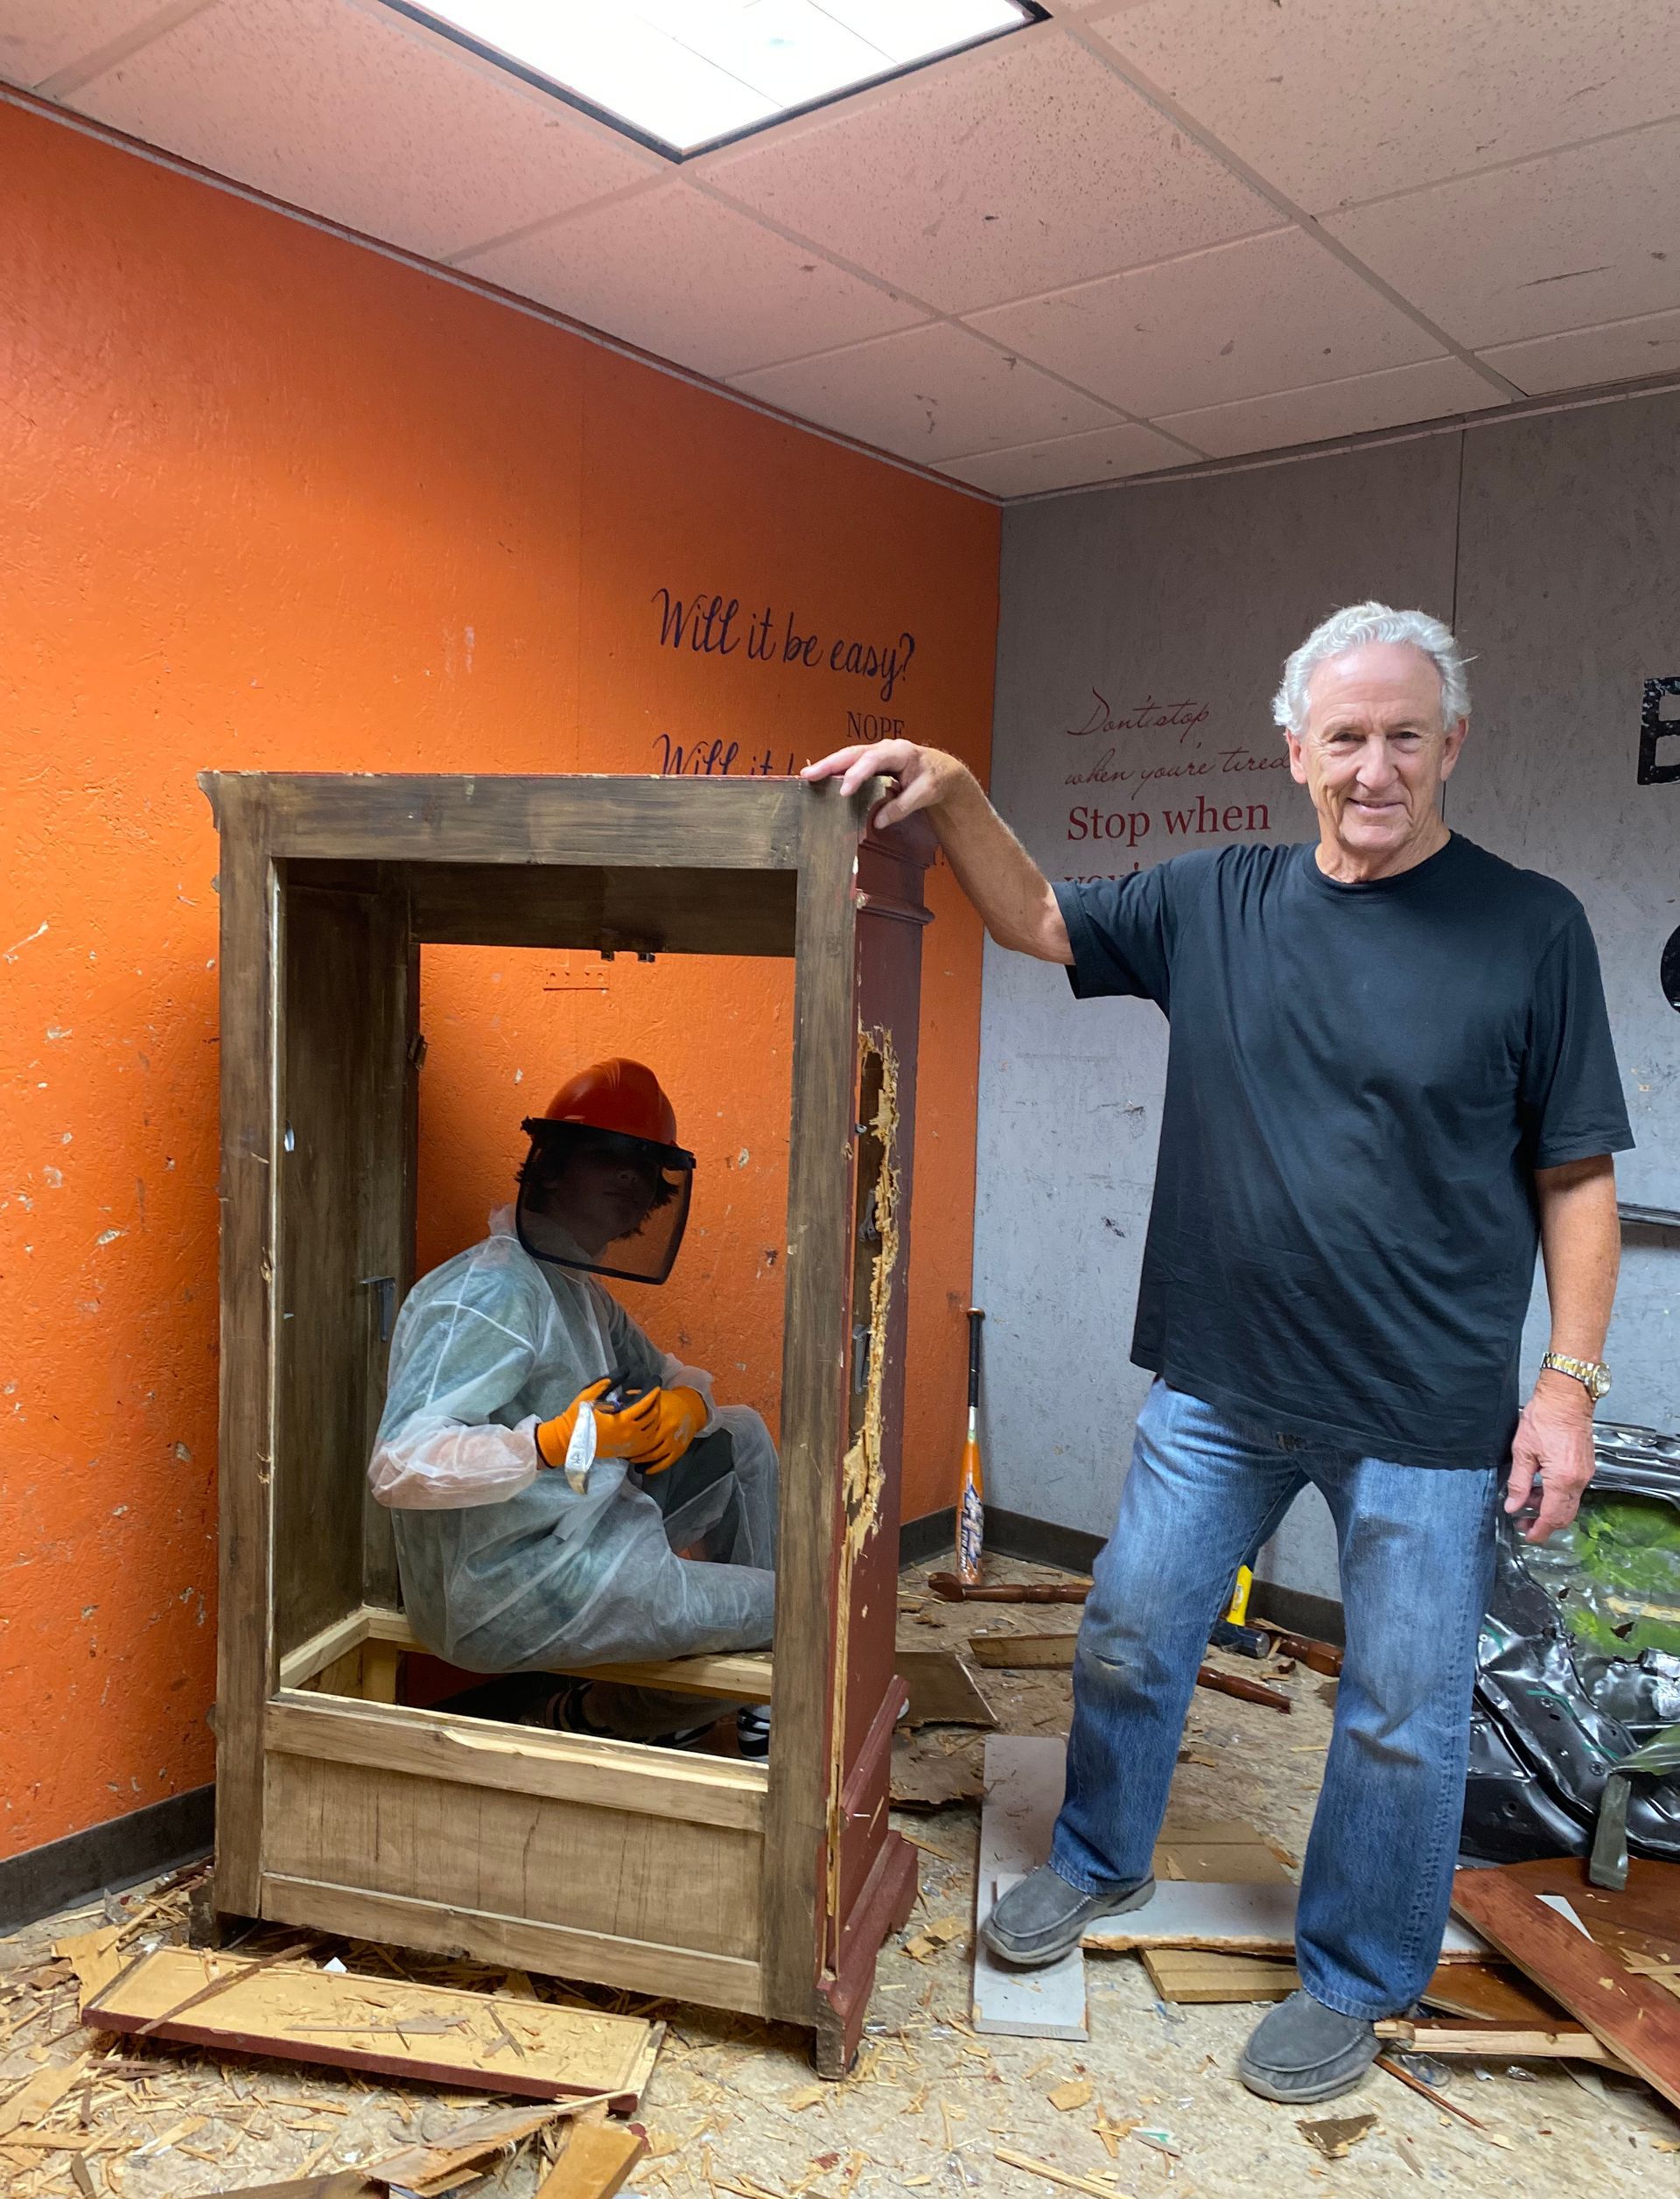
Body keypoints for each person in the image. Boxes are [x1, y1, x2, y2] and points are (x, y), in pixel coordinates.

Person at [804, 602, 1631, 2101]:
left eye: (1402, 738)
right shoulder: (1219, 900)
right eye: (1345, 738)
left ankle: (1356, 1976)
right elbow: (1041, 922)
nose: (1373, 769)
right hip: (1221, 1381)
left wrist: (1565, 1387)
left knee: (1394, 1714)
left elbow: (1576, 1176)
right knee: (1130, 1625)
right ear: (1295, 750)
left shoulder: (1531, 929)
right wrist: (961, 788)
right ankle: (1103, 1858)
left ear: (1452, 747)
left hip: (1429, 1412)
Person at [368, 1057, 777, 1755]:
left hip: (580, 1535)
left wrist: (682, 1403)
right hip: (507, 1589)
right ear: (550, 1167)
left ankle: (619, 1709)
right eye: (606, 1157)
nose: (630, 1179)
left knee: (739, 1431)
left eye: (645, 1167)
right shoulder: (490, 1293)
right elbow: (402, 1463)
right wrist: (548, 1444)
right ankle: (722, 1710)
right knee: (792, 1610)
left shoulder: (576, 1292)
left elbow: (678, 1377)